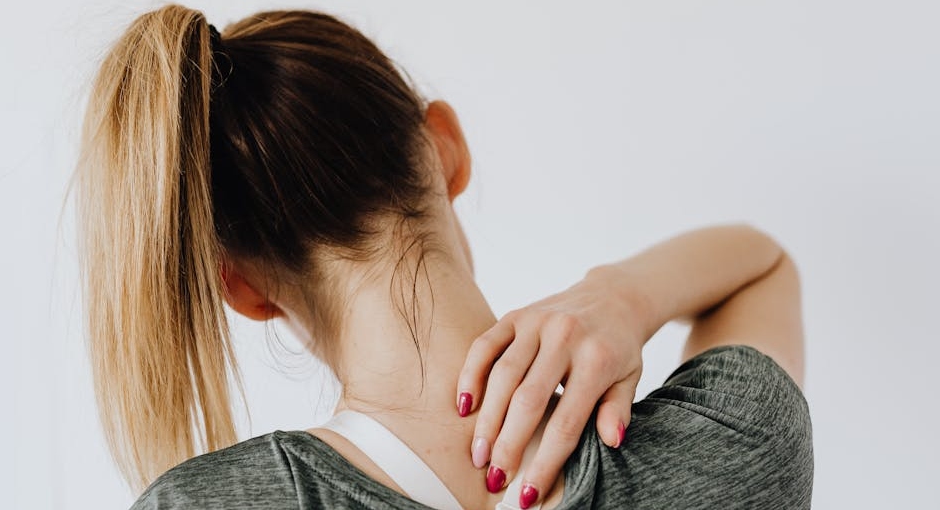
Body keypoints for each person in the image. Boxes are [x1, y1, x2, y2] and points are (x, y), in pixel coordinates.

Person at [75, 5, 813, 509]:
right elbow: (762, 262)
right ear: (445, 147)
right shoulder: (727, 449)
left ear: (241, 287)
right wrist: (625, 296)